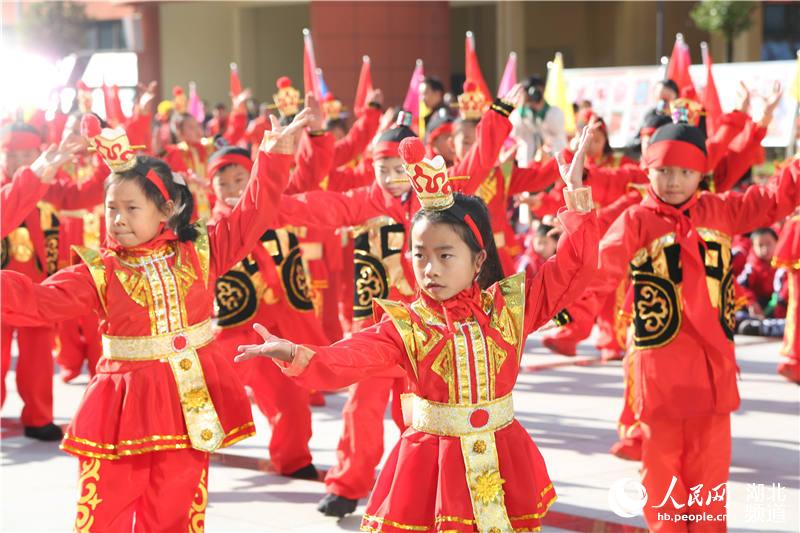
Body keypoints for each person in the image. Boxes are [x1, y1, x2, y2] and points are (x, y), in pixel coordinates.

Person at [237, 127, 599, 532]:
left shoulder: (511, 308)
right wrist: (296, 354)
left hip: (501, 451)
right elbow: (350, 356)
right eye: (420, 256)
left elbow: (574, 270)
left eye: (445, 256)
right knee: (367, 412)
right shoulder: (407, 325)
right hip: (432, 465)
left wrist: (577, 202)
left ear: (479, 260)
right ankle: (346, 482)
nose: (430, 269)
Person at [0, 110, 309, 530]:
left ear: (166, 209)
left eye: (131, 207)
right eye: (111, 208)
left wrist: (274, 156)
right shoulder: (100, 271)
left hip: (189, 401)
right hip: (121, 407)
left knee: (177, 512)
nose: (118, 219)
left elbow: (251, 215)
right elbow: (37, 301)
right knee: (104, 512)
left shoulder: (200, 252)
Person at [552, 122, 800, 531]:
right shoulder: (636, 220)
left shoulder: (719, 212)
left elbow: (771, 199)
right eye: (663, 170)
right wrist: (569, 322)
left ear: (701, 174)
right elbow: (598, 273)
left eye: (685, 172)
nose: (673, 181)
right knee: (663, 475)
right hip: (661, 374)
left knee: (710, 478)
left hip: (713, 374)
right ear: (646, 170)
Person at [208, 145, 328, 479]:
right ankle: (171, 454)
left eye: (240, 179)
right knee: (200, 400)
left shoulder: (278, 207)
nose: (233, 189)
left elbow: (308, 173)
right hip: (232, 334)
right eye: (224, 183)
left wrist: (315, 137)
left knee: (290, 401)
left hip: (280, 329)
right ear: (212, 189)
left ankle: (294, 459)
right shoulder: (212, 230)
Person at [0, 123, 99, 440]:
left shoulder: (52, 188)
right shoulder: (8, 190)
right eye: (11, 154)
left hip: (37, 293)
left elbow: (89, 195)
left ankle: (39, 417)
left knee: (39, 361)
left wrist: (104, 157)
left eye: (27, 154)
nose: (19, 160)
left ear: (38, 152)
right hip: (2, 291)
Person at [510, 75, 567, 167]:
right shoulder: (518, 114)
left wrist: (541, 110)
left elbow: (556, 129)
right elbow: (514, 132)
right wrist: (522, 107)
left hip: (552, 163)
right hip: (527, 163)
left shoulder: (554, 112)